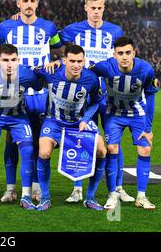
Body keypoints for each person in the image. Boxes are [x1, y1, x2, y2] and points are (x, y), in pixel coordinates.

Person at [59, 0, 133, 204]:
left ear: (104, 7)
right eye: (93, 8)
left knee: (113, 144)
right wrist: (18, 16)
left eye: (100, 8)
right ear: (86, 8)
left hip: (110, 96)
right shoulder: (73, 30)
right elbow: (51, 38)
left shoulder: (115, 31)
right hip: (85, 97)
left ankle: (118, 187)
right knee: (81, 140)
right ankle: (77, 188)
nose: (96, 12)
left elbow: (123, 57)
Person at [0, 0, 62, 203]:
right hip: (13, 92)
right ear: (18, 4)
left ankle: (36, 187)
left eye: (32, 0)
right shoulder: (6, 26)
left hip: (40, 93)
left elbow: (59, 51)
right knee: (12, 139)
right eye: (25, 1)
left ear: (37, 4)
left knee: (41, 140)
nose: (29, 4)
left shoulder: (49, 28)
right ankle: (10, 188)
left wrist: (57, 61)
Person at [34, 44, 107, 211]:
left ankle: (90, 198)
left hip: (79, 121)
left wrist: (86, 119)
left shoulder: (91, 78)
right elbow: (29, 70)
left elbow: (96, 101)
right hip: (54, 121)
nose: (76, 65)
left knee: (102, 150)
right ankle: (45, 198)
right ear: (64, 60)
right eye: (72, 61)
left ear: (84, 61)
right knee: (44, 152)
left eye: (79, 61)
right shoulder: (51, 72)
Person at [89, 36, 158, 210]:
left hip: (137, 113)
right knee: (112, 148)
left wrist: (148, 128)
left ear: (134, 53)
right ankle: (113, 194)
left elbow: (150, 95)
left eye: (128, 52)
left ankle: (141, 196)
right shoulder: (105, 66)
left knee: (145, 148)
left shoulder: (146, 69)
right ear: (114, 54)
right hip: (114, 114)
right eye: (120, 53)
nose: (124, 57)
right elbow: (87, 72)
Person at [0, 44, 42, 210]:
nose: (9, 64)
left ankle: (26, 196)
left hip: (18, 117)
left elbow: (39, 84)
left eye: (13, 60)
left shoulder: (27, 74)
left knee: (27, 151)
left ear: (18, 60)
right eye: (5, 60)